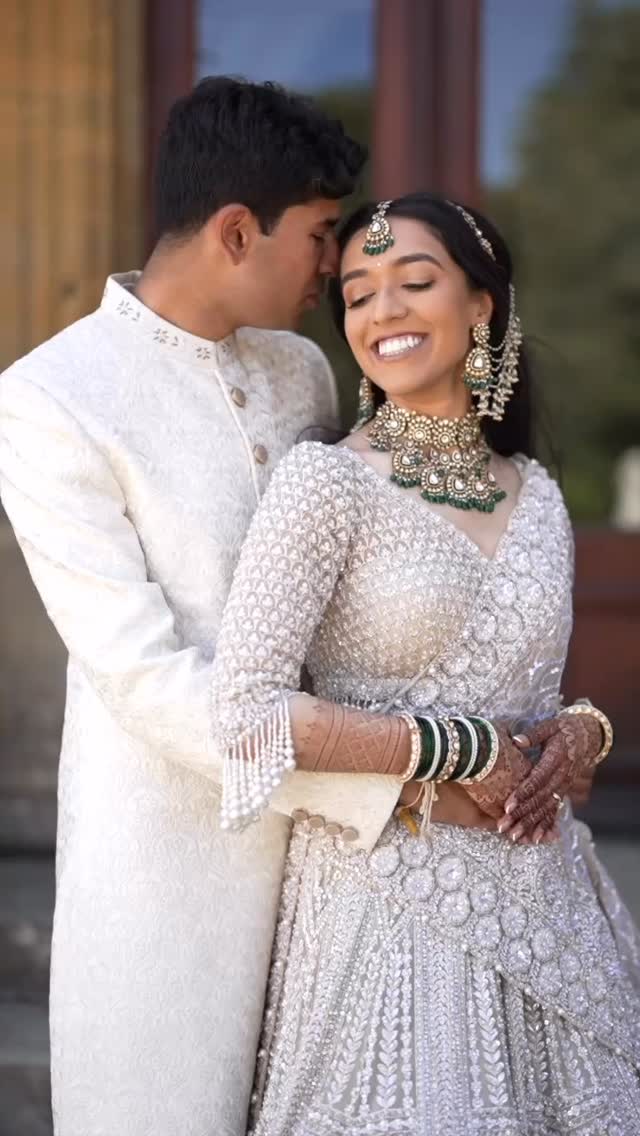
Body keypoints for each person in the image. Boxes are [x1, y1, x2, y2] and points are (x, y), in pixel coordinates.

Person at [0, 77, 410, 1136]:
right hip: (165, 867)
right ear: (238, 230)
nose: (339, 268)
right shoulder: (50, 399)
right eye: (323, 235)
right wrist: (387, 772)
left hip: (333, 868)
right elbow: (142, 674)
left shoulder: (302, 371)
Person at [210, 193, 640, 1134]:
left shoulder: (539, 496)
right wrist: (453, 747)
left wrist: (579, 731)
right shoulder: (325, 484)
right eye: (357, 294)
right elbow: (246, 713)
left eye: (414, 281)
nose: (382, 312)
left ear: (481, 303)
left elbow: (533, 695)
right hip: (386, 907)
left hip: (549, 904)